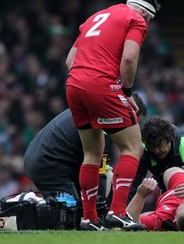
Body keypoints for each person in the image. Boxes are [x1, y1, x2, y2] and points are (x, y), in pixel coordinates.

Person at [65, 0, 161, 231]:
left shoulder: (95, 17)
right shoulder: (135, 18)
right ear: (144, 12)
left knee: (91, 153)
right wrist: (126, 92)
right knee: (133, 147)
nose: (147, 24)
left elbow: (69, 60)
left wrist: (86, 81)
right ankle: (118, 212)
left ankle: (89, 220)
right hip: (101, 84)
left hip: (74, 85)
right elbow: (129, 58)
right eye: (149, 19)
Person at [23, 93, 147, 222]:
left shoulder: (94, 108)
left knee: (72, 208)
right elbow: (98, 175)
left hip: (41, 158)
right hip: (50, 164)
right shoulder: (104, 126)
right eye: (135, 123)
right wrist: (103, 213)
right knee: (73, 214)